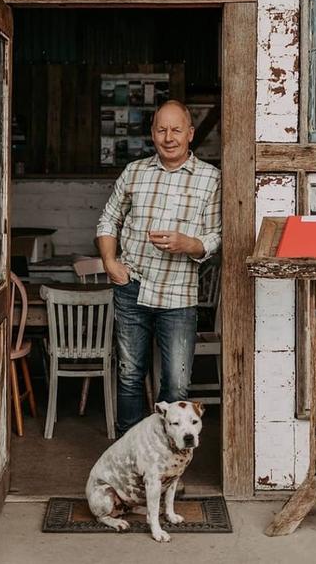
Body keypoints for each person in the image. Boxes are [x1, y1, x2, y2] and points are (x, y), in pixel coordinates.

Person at [96, 99, 221, 435]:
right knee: (130, 375)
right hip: (131, 286)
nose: (169, 137)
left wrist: (188, 244)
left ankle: (166, 461)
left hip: (178, 294)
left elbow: (215, 237)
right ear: (152, 134)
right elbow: (109, 218)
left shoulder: (211, 179)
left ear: (190, 134)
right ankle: (130, 455)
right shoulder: (134, 172)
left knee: (178, 385)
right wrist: (110, 262)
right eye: (162, 129)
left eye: (176, 129)